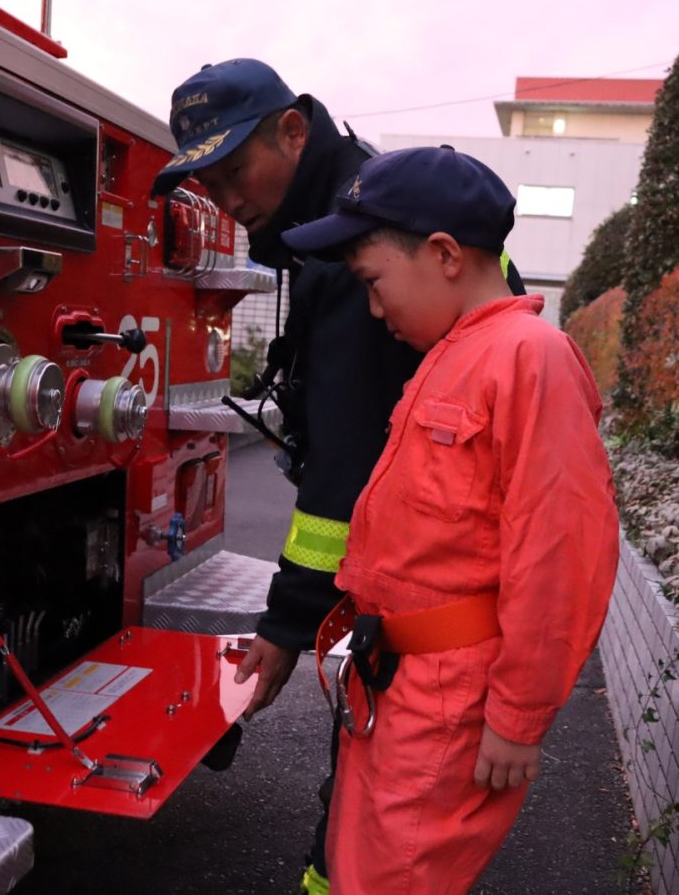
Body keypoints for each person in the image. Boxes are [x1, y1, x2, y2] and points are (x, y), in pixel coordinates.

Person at [151, 60, 525, 893]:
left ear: (293, 130)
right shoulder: (353, 220)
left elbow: (345, 479)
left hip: (433, 633)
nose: (225, 199)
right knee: (368, 815)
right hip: (421, 615)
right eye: (207, 183)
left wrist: (286, 628)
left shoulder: (362, 246)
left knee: (378, 834)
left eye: (235, 170)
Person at [279, 145, 619, 892]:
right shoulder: (453, 354)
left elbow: (561, 551)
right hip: (397, 682)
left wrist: (518, 716)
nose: (374, 310)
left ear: (442, 254)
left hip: (449, 698)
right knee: (360, 864)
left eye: (373, 283)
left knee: (390, 877)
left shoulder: (529, 357)